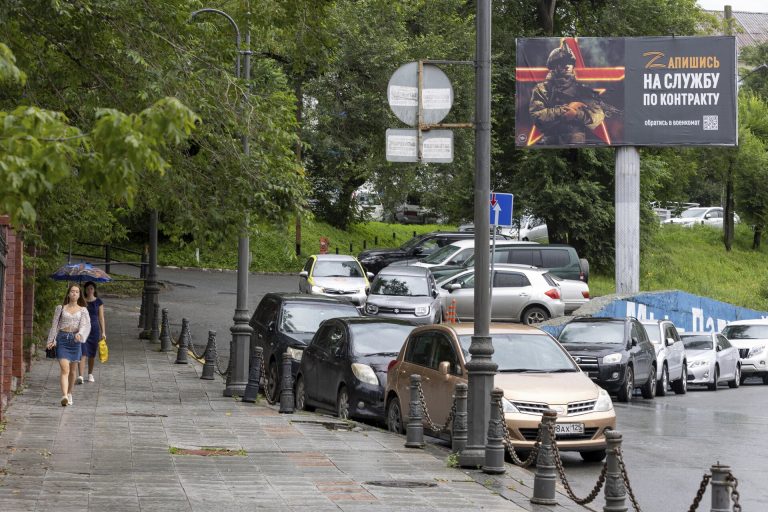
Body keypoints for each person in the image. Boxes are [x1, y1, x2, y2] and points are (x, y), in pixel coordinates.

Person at [528, 41, 608, 145]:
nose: (567, 66)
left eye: (570, 62)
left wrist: (576, 114)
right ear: (553, 66)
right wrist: (564, 111)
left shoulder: (581, 89)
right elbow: (536, 116)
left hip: (577, 141)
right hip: (550, 141)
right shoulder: (542, 89)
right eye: (562, 62)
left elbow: (597, 115)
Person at [46, 284, 91, 406]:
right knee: (64, 369)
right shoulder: (60, 308)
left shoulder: (83, 310)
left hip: (75, 341)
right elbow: (55, 325)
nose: (74, 294)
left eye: (77, 292)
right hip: (62, 340)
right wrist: (51, 340)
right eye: (72, 291)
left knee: (72, 371)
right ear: (68, 293)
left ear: (79, 295)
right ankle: (64, 395)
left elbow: (85, 325)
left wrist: (80, 334)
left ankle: (70, 393)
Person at [77, 281, 105, 384]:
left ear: (94, 290)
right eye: (88, 288)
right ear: (85, 290)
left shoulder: (99, 302)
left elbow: (101, 318)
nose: (89, 290)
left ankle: (90, 374)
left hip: (94, 329)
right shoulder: (81, 301)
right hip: (83, 329)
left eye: (91, 288)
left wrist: (103, 332)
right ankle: (80, 375)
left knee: (92, 353)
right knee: (82, 352)